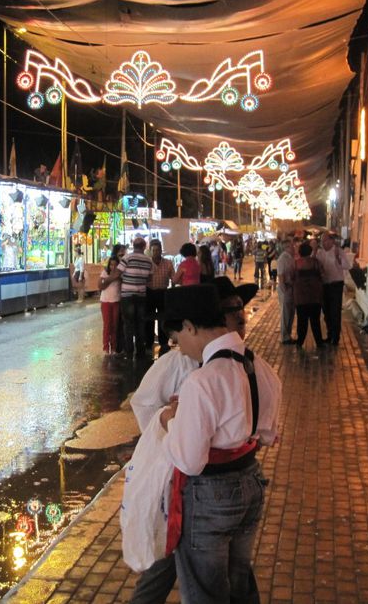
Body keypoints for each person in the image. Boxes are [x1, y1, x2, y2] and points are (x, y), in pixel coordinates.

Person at [124, 276, 257, 604]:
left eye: (240, 309)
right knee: (175, 563)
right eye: (228, 311)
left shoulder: (240, 363)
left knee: (211, 573)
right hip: (183, 481)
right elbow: (144, 403)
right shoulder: (179, 363)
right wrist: (165, 436)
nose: (237, 318)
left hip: (212, 487)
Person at [159, 285, 282, 604]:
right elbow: (267, 435)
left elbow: (189, 461)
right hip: (251, 484)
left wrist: (170, 421)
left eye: (177, 339)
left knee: (206, 594)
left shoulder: (202, 381)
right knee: (238, 583)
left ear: (190, 326)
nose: (180, 349)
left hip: (210, 496)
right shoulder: (260, 367)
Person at [119, 237, 155, 360]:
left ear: (133, 246)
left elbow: (118, 273)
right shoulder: (149, 261)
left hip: (127, 295)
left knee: (128, 324)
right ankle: (140, 351)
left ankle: (129, 351)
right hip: (141, 295)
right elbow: (150, 279)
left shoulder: (127, 258)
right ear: (144, 247)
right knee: (140, 324)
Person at [315, 233, 348, 345]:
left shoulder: (338, 251)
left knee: (335, 311)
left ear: (331, 241)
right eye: (322, 241)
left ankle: (335, 337)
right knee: (326, 311)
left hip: (336, 284)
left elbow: (347, 265)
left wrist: (339, 259)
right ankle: (329, 335)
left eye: (325, 241)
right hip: (324, 285)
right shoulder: (320, 253)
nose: (323, 243)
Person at [294, 242, 326, 351]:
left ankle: (300, 342)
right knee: (315, 320)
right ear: (310, 251)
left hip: (301, 297)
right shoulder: (316, 263)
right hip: (315, 296)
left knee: (301, 321)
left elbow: (292, 277)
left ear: (300, 252)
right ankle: (319, 342)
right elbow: (323, 275)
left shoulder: (296, 263)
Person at [146, 240, 175, 356]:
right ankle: (148, 343)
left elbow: (173, 277)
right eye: (154, 250)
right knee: (149, 319)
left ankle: (163, 343)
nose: (156, 252)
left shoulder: (168, 263)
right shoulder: (147, 263)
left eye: (158, 250)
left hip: (163, 293)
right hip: (150, 293)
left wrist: (172, 291)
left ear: (161, 250)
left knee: (163, 318)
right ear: (151, 251)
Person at [98, 244, 124, 354]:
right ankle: (105, 347)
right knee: (107, 325)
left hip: (116, 301)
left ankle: (113, 347)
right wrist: (111, 277)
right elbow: (100, 285)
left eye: (115, 265)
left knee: (114, 325)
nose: (113, 267)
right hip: (106, 302)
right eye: (111, 265)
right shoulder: (105, 273)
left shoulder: (121, 274)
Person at [276, 238, 297, 344]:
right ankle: (285, 336)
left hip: (291, 287)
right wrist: (285, 291)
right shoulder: (283, 259)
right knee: (286, 313)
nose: (294, 248)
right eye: (292, 246)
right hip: (286, 288)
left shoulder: (291, 258)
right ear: (287, 247)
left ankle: (288, 335)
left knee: (291, 313)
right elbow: (281, 276)